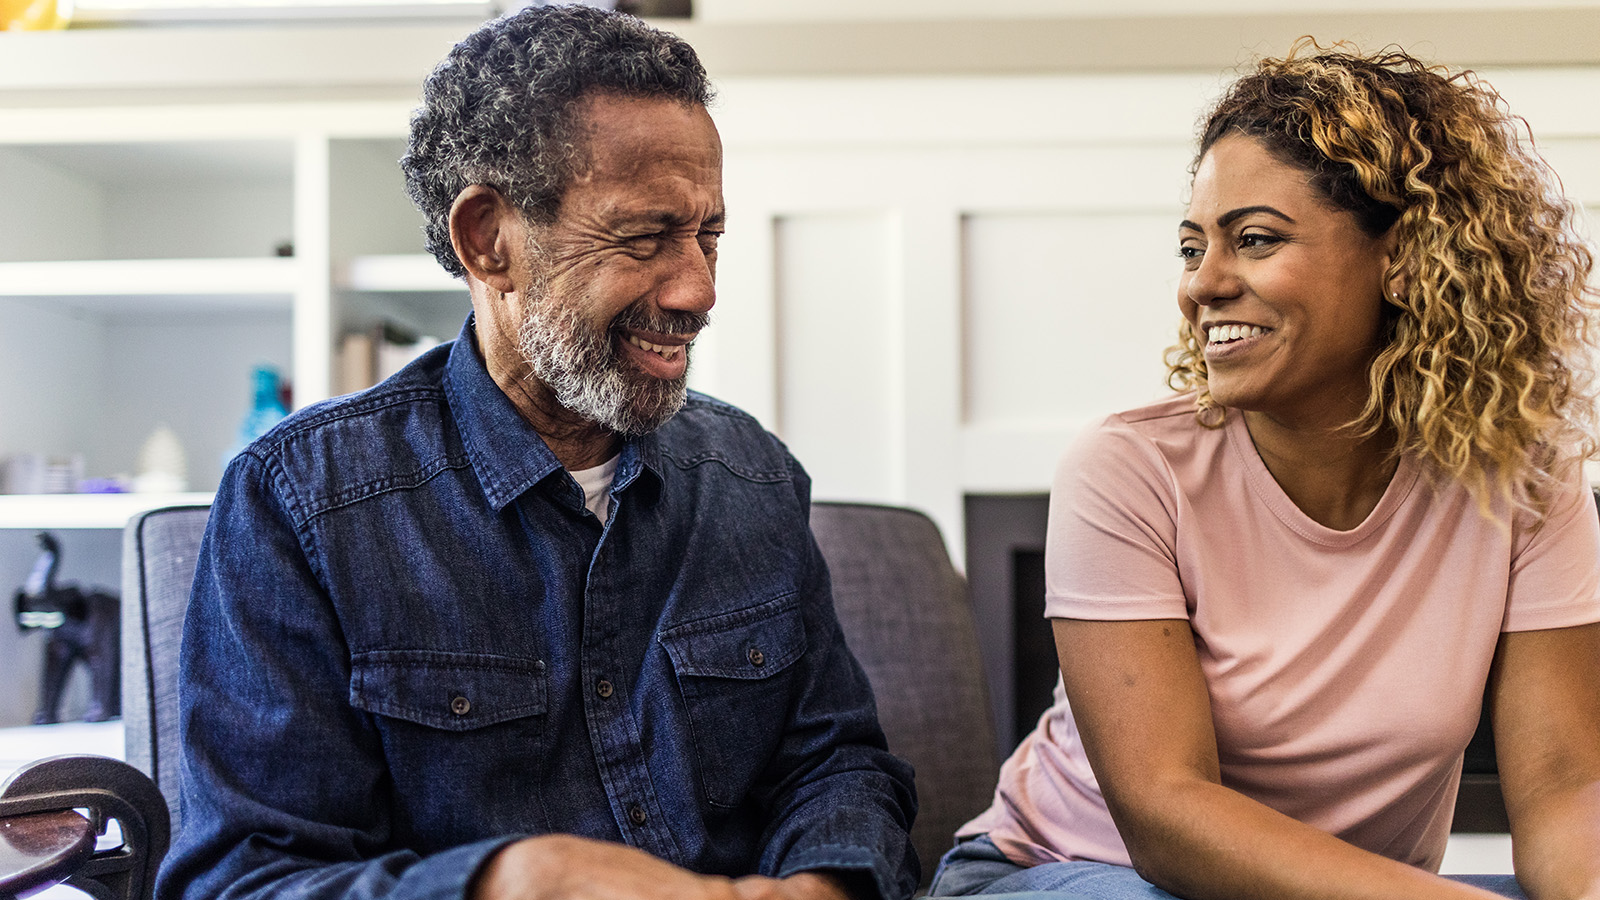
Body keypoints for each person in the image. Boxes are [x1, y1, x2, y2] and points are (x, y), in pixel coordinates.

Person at [155, 7, 917, 900]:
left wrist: (821, 886)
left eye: (709, 234)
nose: (699, 289)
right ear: (490, 240)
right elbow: (242, 881)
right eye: (644, 237)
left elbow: (839, 767)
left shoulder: (752, 475)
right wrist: (507, 882)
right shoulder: (300, 503)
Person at [934, 41, 1600, 900]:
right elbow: (1166, 813)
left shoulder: (1525, 485)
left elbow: (1566, 792)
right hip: (1073, 875)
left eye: (1253, 240)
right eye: (1191, 247)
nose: (1202, 284)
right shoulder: (1130, 471)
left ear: (1402, 259)